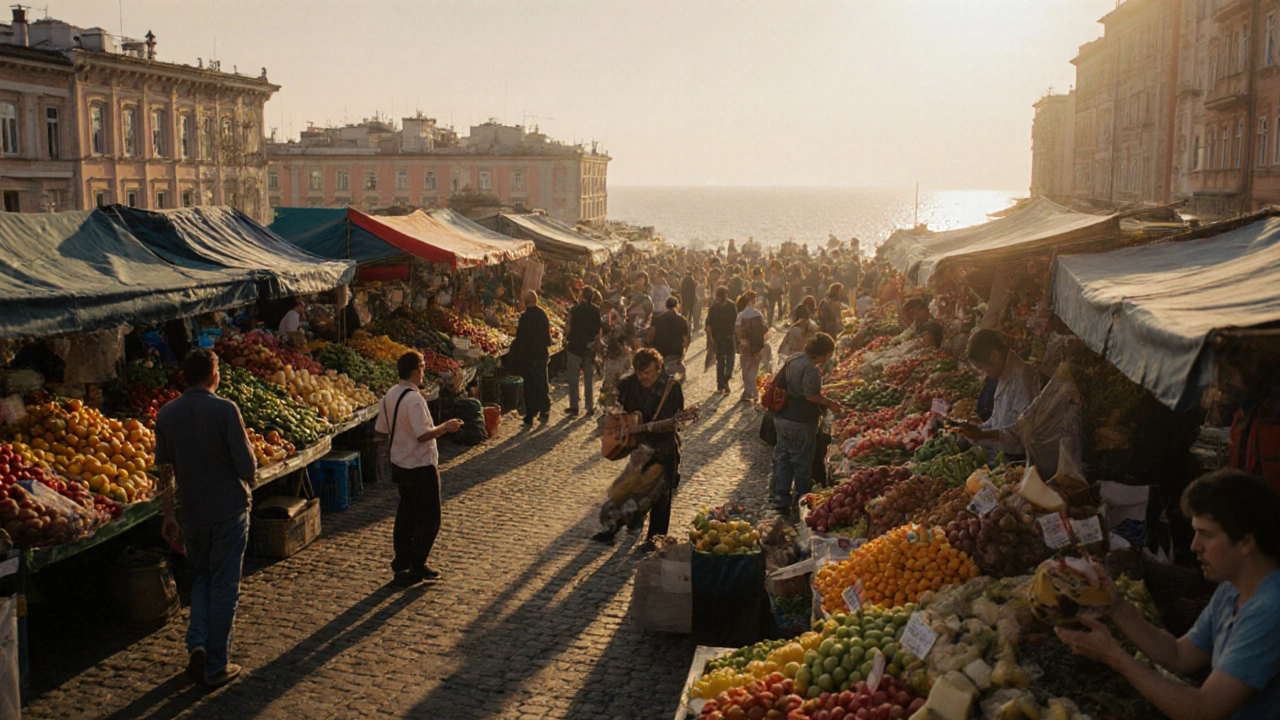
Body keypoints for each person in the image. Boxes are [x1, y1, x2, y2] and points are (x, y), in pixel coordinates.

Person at [1057, 469, 1280, 720]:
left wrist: (1114, 656)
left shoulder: (1269, 610)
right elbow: (1179, 655)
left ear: (1246, 542)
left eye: (1206, 534)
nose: (1195, 546)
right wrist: (1117, 607)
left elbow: (1204, 709)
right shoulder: (1232, 590)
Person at [155, 349, 256, 687]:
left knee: (201, 580)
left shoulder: (167, 414)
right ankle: (216, 664)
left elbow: (164, 473)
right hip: (228, 510)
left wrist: (169, 514)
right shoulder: (225, 410)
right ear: (215, 375)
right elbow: (247, 467)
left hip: (192, 513)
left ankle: (197, 644)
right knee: (225, 587)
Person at [376, 352, 463, 586]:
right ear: (415, 371)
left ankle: (403, 562)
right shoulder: (414, 399)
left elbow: (381, 430)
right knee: (429, 518)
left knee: (406, 514)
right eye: (422, 367)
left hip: (400, 464)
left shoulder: (390, 394)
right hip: (419, 465)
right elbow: (423, 434)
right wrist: (445, 427)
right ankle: (415, 565)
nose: (424, 371)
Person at [593, 348, 685, 548]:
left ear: (658, 368)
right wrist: (615, 420)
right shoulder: (629, 383)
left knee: (661, 496)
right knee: (626, 489)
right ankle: (611, 530)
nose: (643, 377)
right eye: (640, 372)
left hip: (663, 448)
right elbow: (612, 405)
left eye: (648, 373)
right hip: (639, 447)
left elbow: (675, 421)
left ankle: (655, 539)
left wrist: (658, 425)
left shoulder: (671, 387)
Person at [770, 333, 841, 511]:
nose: (828, 359)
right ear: (822, 353)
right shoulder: (811, 368)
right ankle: (803, 499)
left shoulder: (794, 358)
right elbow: (811, 395)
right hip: (800, 419)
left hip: (782, 417)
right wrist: (830, 403)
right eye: (828, 355)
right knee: (801, 460)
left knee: (783, 457)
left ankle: (781, 497)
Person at [958, 329, 1040, 458]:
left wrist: (983, 434)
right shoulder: (1003, 374)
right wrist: (979, 428)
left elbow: (1023, 430)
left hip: (1016, 456)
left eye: (981, 367)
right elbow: (997, 420)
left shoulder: (1022, 376)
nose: (983, 372)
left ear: (994, 355)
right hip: (1000, 450)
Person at [513, 291, 553, 427]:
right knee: (542, 380)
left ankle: (530, 415)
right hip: (541, 353)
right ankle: (545, 409)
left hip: (529, 355)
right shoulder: (542, 314)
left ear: (527, 301)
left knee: (530, 384)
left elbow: (521, 339)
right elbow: (547, 335)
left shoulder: (525, 318)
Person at [564, 287, 603, 416]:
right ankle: (589, 406)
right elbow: (599, 330)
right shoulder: (595, 310)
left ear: (582, 296)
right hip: (589, 348)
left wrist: (565, 337)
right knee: (588, 378)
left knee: (574, 378)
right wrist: (597, 346)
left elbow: (569, 326)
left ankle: (574, 406)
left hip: (575, 347)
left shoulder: (574, 310)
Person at [599, 301, 639, 409]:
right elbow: (635, 343)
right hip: (624, 358)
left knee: (609, 384)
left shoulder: (606, 321)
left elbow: (601, 338)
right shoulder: (628, 324)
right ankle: (622, 405)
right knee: (624, 383)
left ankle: (607, 407)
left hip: (611, 358)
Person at [706, 286, 738, 395]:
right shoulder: (732, 305)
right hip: (728, 336)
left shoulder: (713, 307)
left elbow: (708, 325)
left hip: (718, 337)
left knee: (720, 361)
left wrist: (710, 339)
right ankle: (726, 379)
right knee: (730, 359)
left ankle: (720, 384)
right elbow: (735, 323)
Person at [735, 290, 767, 403]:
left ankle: (748, 391)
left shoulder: (741, 315)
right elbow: (765, 329)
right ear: (753, 301)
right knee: (754, 368)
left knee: (745, 368)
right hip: (757, 345)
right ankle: (753, 391)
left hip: (745, 345)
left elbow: (737, 329)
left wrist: (741, 339)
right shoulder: (759, 314)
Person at [648, 296, 690, 378]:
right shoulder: (681, 320)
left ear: (666, 306)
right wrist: (683, 354)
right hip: (676, 352)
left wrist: (650, 345)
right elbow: (686, 341)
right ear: (678, 306)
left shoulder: (657, 319)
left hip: (661, 352)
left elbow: (651, 334)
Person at [766, 260, 786, 327]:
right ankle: (770, 321)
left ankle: (772, 320)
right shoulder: (772, 272)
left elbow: (782, 282)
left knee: (773, 305)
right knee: (772, 306)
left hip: (775, 290)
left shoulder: (780, 273)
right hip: (774, 290)